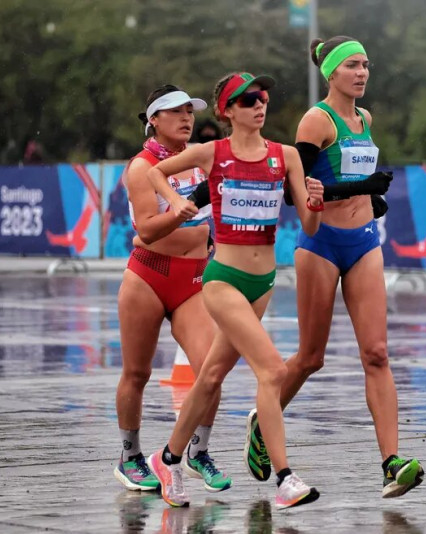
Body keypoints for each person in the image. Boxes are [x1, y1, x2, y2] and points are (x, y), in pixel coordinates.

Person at [243, 36, 424, 498]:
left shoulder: (365, 119)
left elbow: (352, 183)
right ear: (332, 74)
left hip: (364, 243)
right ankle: (263, 421)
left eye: (366, 65)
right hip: (320, 244)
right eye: (353, 66)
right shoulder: (316, 120)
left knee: (377, 353)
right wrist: (356, 187)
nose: (362, 73)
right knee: (311, 357)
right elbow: (294, 192)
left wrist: (371, 198)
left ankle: (390, 463)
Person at [145, 72, 325, 510]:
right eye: (247, 100)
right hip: (223, 279)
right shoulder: (211, 153)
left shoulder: (286, 157)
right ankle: (284, 478)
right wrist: (176, 199)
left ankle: (167, 458)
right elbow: (154, 173)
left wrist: (316, 203)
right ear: (227, 111)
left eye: (262, 97)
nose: (259, 105)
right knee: (273, 371)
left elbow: (309, 225)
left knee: (209, 376)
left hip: (262, 283)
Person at [114, 84, 231, 495]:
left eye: (189, 111)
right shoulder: (141, 166)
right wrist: (181, 212)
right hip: (148, 277)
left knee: (211, 369)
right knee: (138, 373)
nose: (186, 118)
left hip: (193, 278)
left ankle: (198, 451)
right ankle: (130, 456)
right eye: (175, 112)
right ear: (154, 120)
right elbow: (145, 229)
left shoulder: (198, 159)